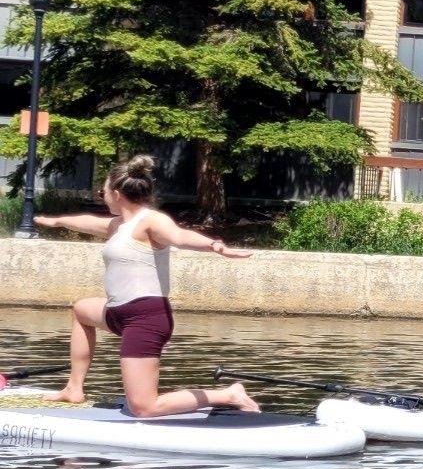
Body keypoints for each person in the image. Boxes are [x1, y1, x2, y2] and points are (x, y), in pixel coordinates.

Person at [34, 154, 261, 416]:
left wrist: (215, 246)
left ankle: (228, 394)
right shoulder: (119, 225)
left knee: (143, 407)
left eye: (102, 192)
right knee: (82, 309)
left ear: (117, 194)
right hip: (118, 312)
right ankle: (74, 389)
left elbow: (179, 236)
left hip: (146, 318)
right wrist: (57, 221)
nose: (102, 197)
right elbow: (87, 222)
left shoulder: (151, 221)